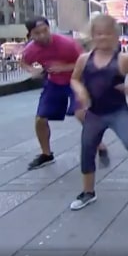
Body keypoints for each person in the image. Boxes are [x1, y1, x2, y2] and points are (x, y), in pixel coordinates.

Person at [69, 15, 128, 210]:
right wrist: (80, 91)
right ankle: (88, 192)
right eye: (98, 33)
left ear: (115, 36)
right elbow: (74, 79)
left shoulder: (124, 60)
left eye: (107, 33)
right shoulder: (83, 59)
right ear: (92, 35)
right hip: (94, 113)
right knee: (87, 150)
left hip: (118, 112)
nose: (102, 37)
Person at [20, 17, 108, 170]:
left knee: (81, 114)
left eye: (45, 31)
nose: (42, 36)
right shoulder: (31, 49)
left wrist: (65, 67)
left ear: (50, 29)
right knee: (40, 119)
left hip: (77, 80)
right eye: (37, 33)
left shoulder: (67, 44)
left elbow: (86, 62)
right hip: (54, 83)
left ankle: (100, 146)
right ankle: (46, 154)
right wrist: (32, 70)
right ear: (30, 35)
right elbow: (23, 61)